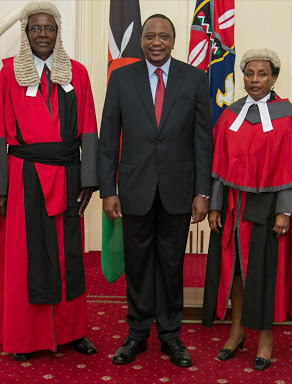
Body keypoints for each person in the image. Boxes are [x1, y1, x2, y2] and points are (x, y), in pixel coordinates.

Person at [0, 2, 98, 361]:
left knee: (67, 256)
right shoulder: (8, 74)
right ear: (25, 33)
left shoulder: (77, 73)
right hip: (24, 176)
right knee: (25, 259)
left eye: (49, 29)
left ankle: (73, 331)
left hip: (67, 173)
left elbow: (89, 126)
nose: (42, 35)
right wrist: (0, 188)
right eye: (36, 28)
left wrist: (88, 179)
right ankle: (25, 336)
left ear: (58, 34)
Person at [98, 14, 212, 368]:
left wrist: (202, 192)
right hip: (133, 189)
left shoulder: (194, 79)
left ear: (174, 41)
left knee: (172, 265)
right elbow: (107, 139)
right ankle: (137, 334)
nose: (157, 42)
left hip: (179, 190)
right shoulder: (120, 78)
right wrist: (107, 189)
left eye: (164, 36)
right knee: (138, 265)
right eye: (150, 36)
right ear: (142, 40)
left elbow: (203, 141)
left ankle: (170, 335)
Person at [202, 48, 292, 371]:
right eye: (249, 74)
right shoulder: (230, 114)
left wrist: (286, 212)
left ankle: (265, 337)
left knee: (263, 274)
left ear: (274, 77)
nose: (254, 80)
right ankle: (236, 331)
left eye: (262, 74)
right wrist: (216, 206)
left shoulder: (287, 117)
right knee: (234, 271)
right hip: (233, 207)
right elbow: (219, 164)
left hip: (268, 208)